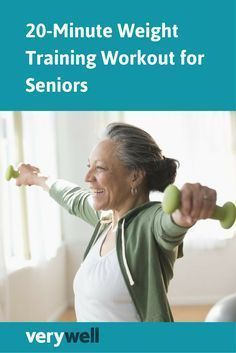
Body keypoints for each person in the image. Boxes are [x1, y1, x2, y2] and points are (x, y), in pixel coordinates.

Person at [15, 122, 217, 322]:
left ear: (135, 176)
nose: (87, 177)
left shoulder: (149, 223)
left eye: (100, 168)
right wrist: (36, 178)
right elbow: (73, 198)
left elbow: (167, 224)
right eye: (89, 166)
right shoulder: (107, 219)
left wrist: (183, 214)